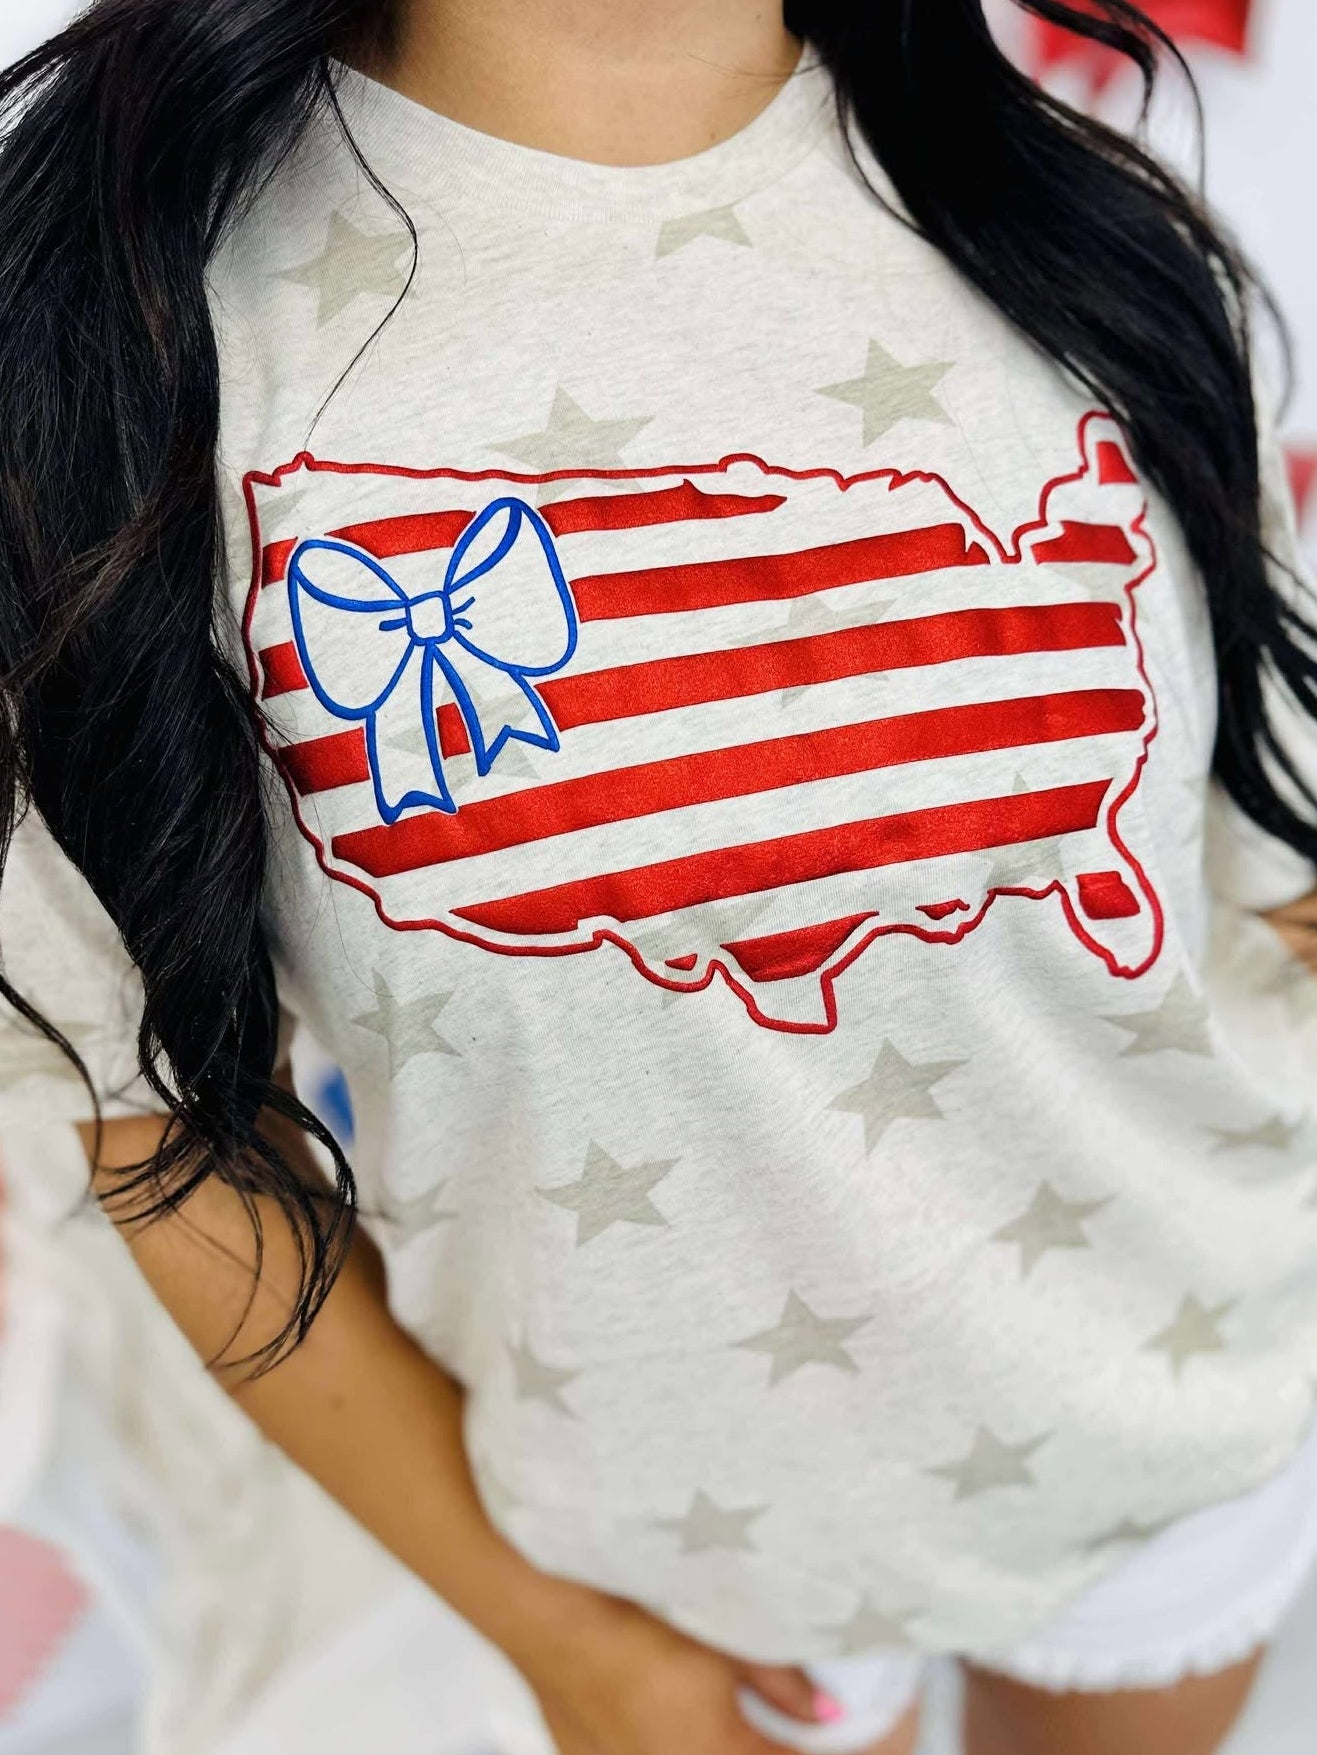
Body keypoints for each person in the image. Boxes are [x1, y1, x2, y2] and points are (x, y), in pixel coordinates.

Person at [2, 2, 1316, 1751]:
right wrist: (569, 1646)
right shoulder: (113, 330)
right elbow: (145, 1109)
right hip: (657, 1553)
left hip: (1177, 1396)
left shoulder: (1096, 228)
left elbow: (1269, 878)